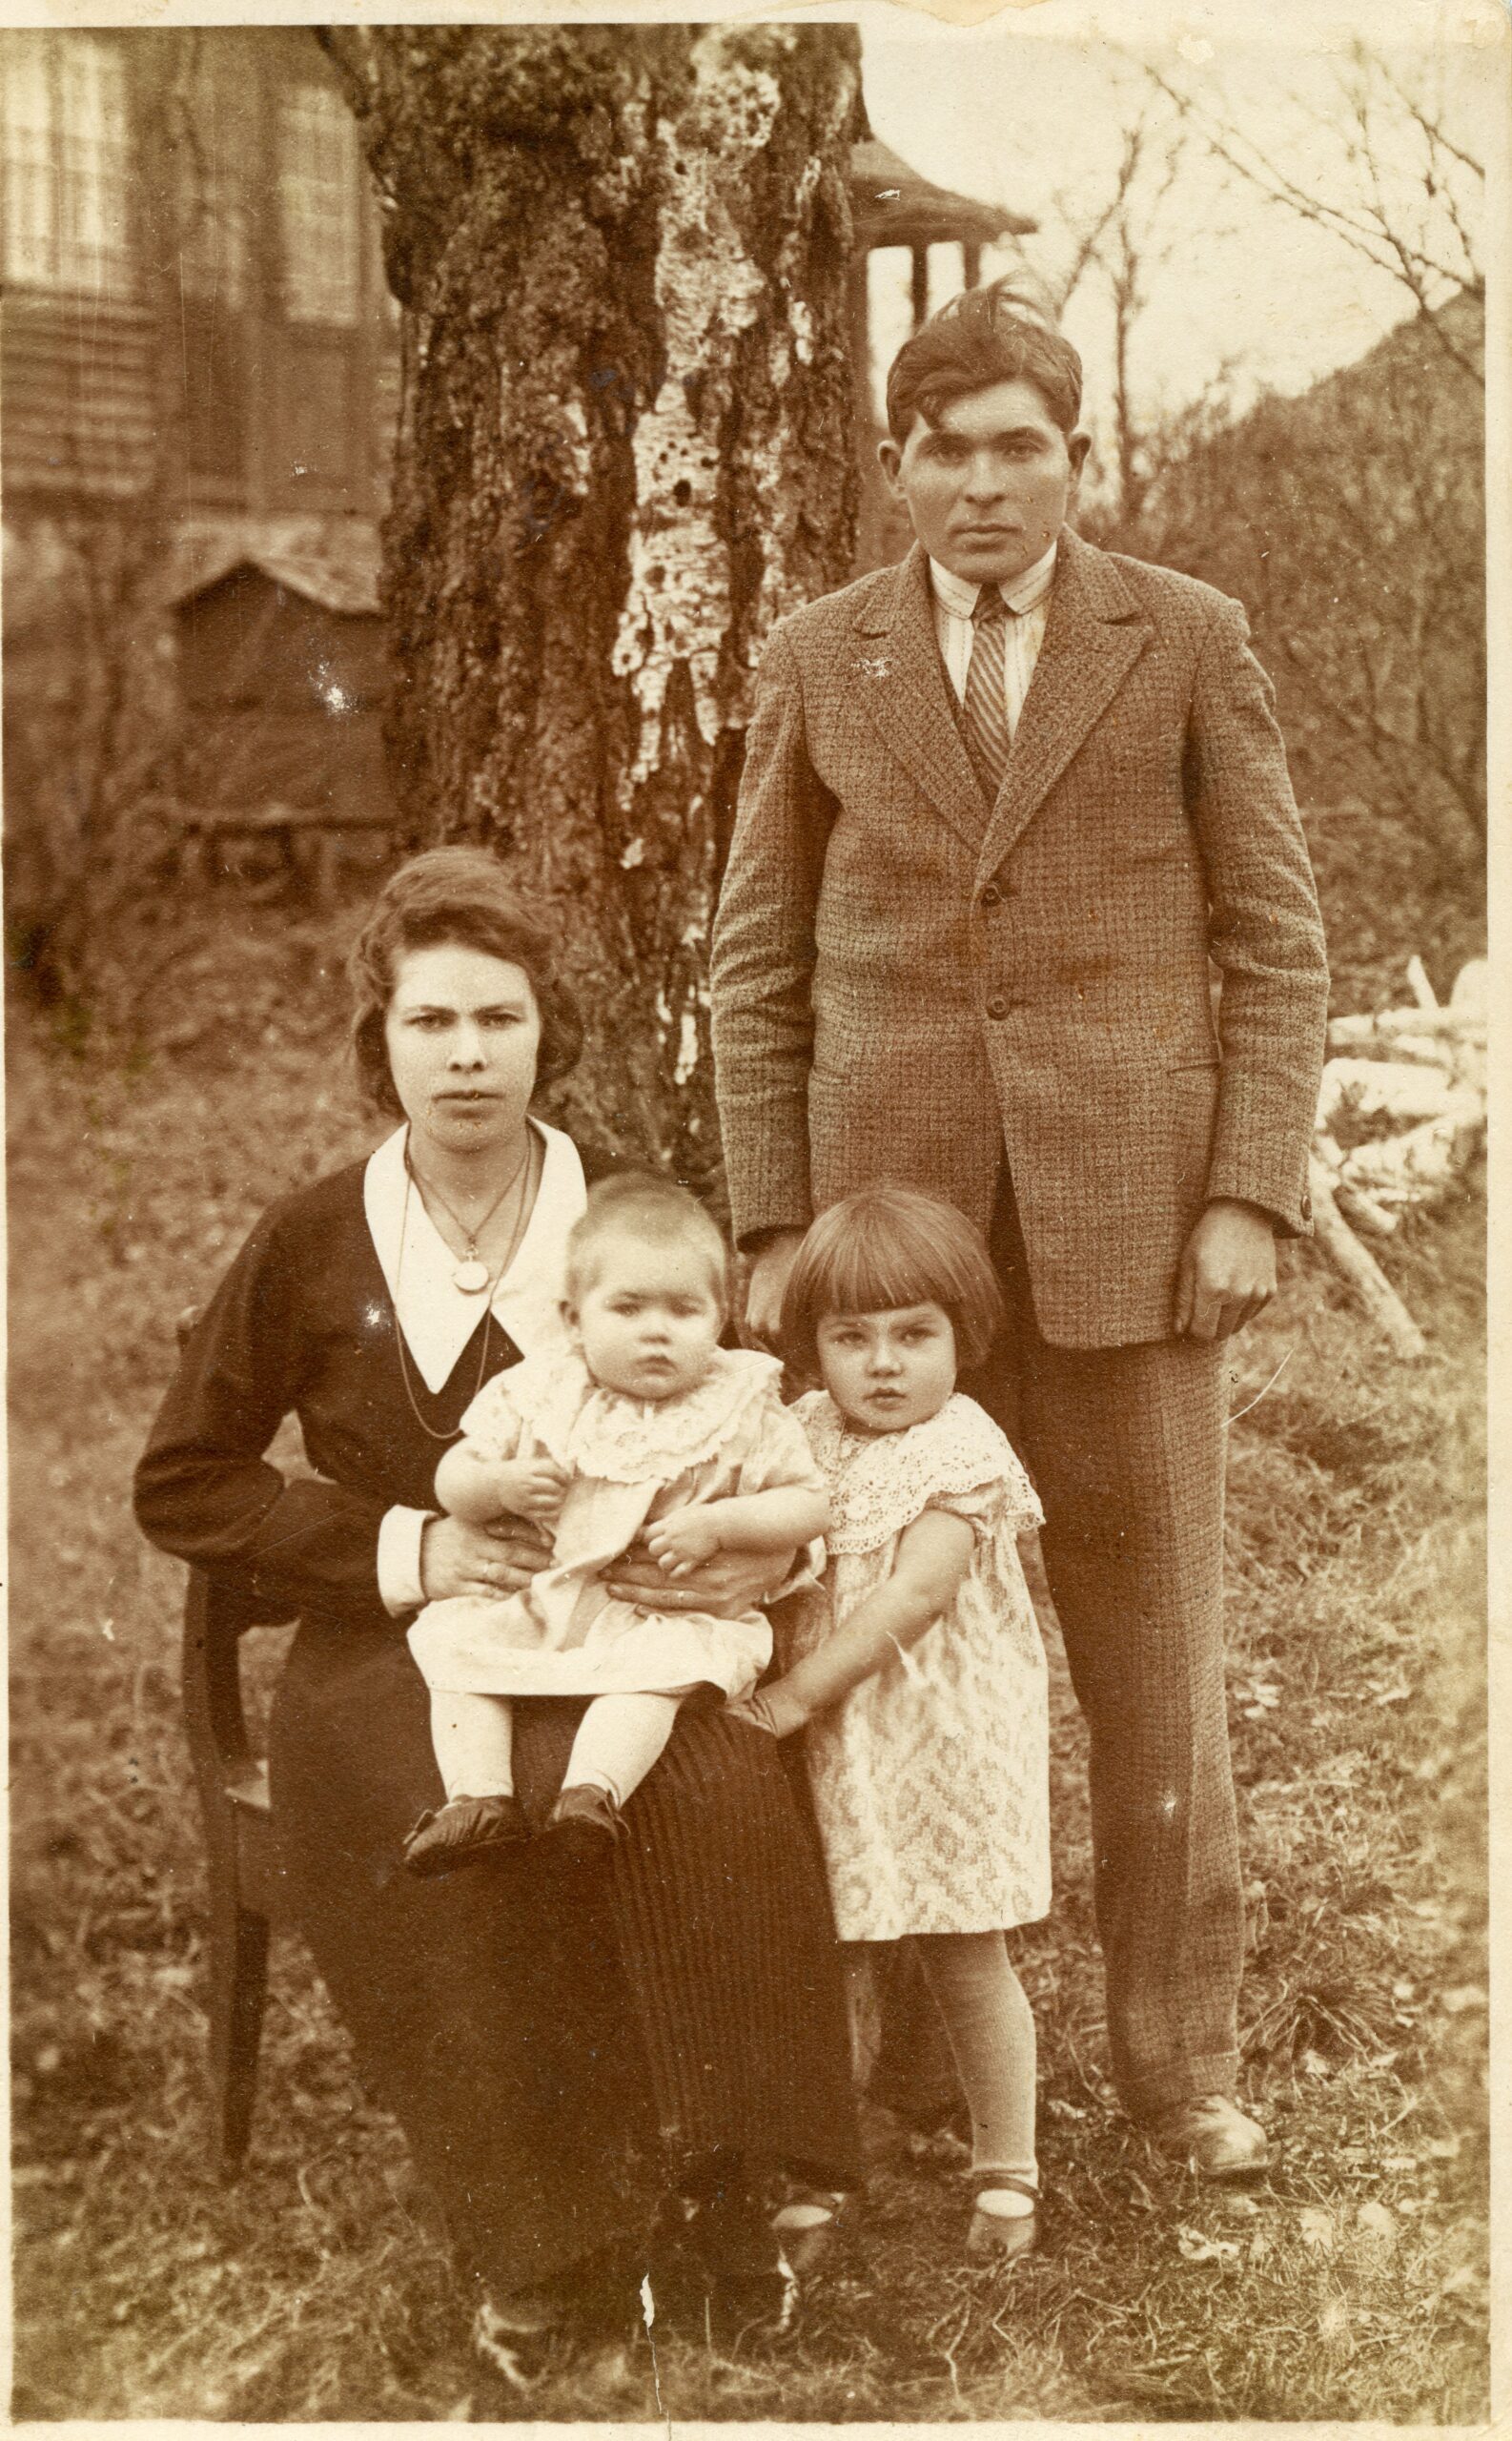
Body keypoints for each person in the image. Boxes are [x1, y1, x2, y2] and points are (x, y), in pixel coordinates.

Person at [711, 282, 1330, 2182]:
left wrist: (1245, 1192)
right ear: (894, 465)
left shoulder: (1185, 637)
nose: (981, 487)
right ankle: (907, 2068)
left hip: (1132, 1242)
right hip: (888, 1277)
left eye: (1018, 449)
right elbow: (755, 964)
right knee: (880, 1653)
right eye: (943, 452)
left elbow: (1275, 943)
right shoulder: (822, 655)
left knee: (1154, 1670)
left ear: (1076, 458)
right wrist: (773, 1226)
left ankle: (1178, 2064)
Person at [135, 849, 859, 2384]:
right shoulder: (313, 1237)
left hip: (636, 1624)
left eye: (498, 1019)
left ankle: (730, 2200)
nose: (465, 1055)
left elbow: (760, 1438)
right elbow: (185, 1481)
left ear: (548, 1034)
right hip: (401, 1643)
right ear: (381, 1041)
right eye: (430, 1021)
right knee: (473, 1823)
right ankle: (547, 2249)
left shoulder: (630, 1218)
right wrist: (403, 1544)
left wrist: (754, 1567)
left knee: (712, 1786)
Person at [735, 1186, 1050, 2263]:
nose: (881, 1365)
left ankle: (1006, 2171)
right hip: (833, 1748)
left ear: (964, 1335)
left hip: (939, 1738)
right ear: (813, 1346)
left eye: (914, 1336)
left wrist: (793, 1695)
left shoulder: (960, 1446)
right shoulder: (802, 1433)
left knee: (964, 1952)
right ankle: (815, 2172)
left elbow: (912, 1597)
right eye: (850, 1338)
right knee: (823, 1955)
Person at [402, 1174, 828, 1875]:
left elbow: (808, 1504)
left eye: (684, 1310)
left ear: (720, 1317)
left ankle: (592, 1795)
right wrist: (497, 1486)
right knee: (457, 1651)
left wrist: (723, 1522)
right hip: (543, 1600)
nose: (656, 1331)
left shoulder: (738, 1404)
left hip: (664, 1612)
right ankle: (479, 1798)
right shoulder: (541, 1392)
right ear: (574, 1319)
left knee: (653, 1679)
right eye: (627, 1308)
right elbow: (453, 1478)